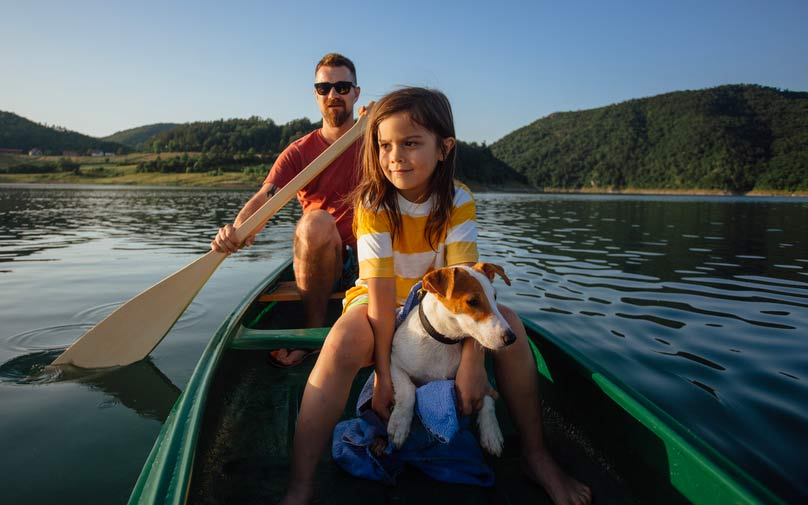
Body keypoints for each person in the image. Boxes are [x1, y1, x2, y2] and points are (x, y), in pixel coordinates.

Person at [280, 87, 592, 505]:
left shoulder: (458, 199)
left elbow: (463, 284)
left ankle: (536, 455)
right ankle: (300, 486)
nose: (395, 156)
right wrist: (386, 378)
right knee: (339, 344)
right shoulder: (372, 201)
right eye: (385, 145)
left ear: (444, 148)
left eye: (410, 143)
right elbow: (379, 294)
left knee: (512, 328)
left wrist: (472, 364)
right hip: (382, 301)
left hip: (440, 305)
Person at [211, 53, 363, 367]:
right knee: (314, 223)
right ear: (316, 94)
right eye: (324, 88)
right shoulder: (298, 152)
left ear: (356, 93)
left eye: (342, 87)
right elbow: (267, 195)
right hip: (327, 262)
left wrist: (384, 115)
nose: (333, 94)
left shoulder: (377, 140)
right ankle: (311, 333)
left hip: (374, 255)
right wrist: (237, 230)